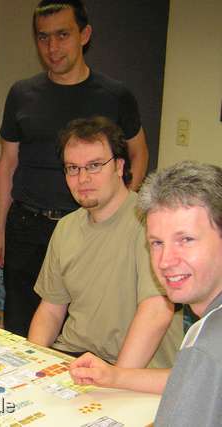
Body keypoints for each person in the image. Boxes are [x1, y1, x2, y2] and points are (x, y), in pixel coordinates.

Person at [0, 0, 150, 336]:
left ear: (84, 35)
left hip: (88, 229)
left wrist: (120, 213)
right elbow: (7, 164)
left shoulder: (115, 95)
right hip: (28, 226)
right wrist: (1, 230)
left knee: (83, 328)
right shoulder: (21, 94)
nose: (52, 47)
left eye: (62, 35)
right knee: (22, 325)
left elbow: (138, 154)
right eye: (43, 37)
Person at [69, 161, 222, 426]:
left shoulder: (208, 343)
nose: (165, 261)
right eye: (157, 243)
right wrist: (115, 376)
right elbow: (192, 379)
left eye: (185, 239)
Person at [27, 117, 180, 368]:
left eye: (94, 165)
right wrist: (32, 362)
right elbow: (51, 310)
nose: (83, 178)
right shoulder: (66, 227)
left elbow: (157, 312)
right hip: (73, 357)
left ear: (119, 166)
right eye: (73, 168)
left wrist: (116, 378)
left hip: (133, 369)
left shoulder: (152, 224)